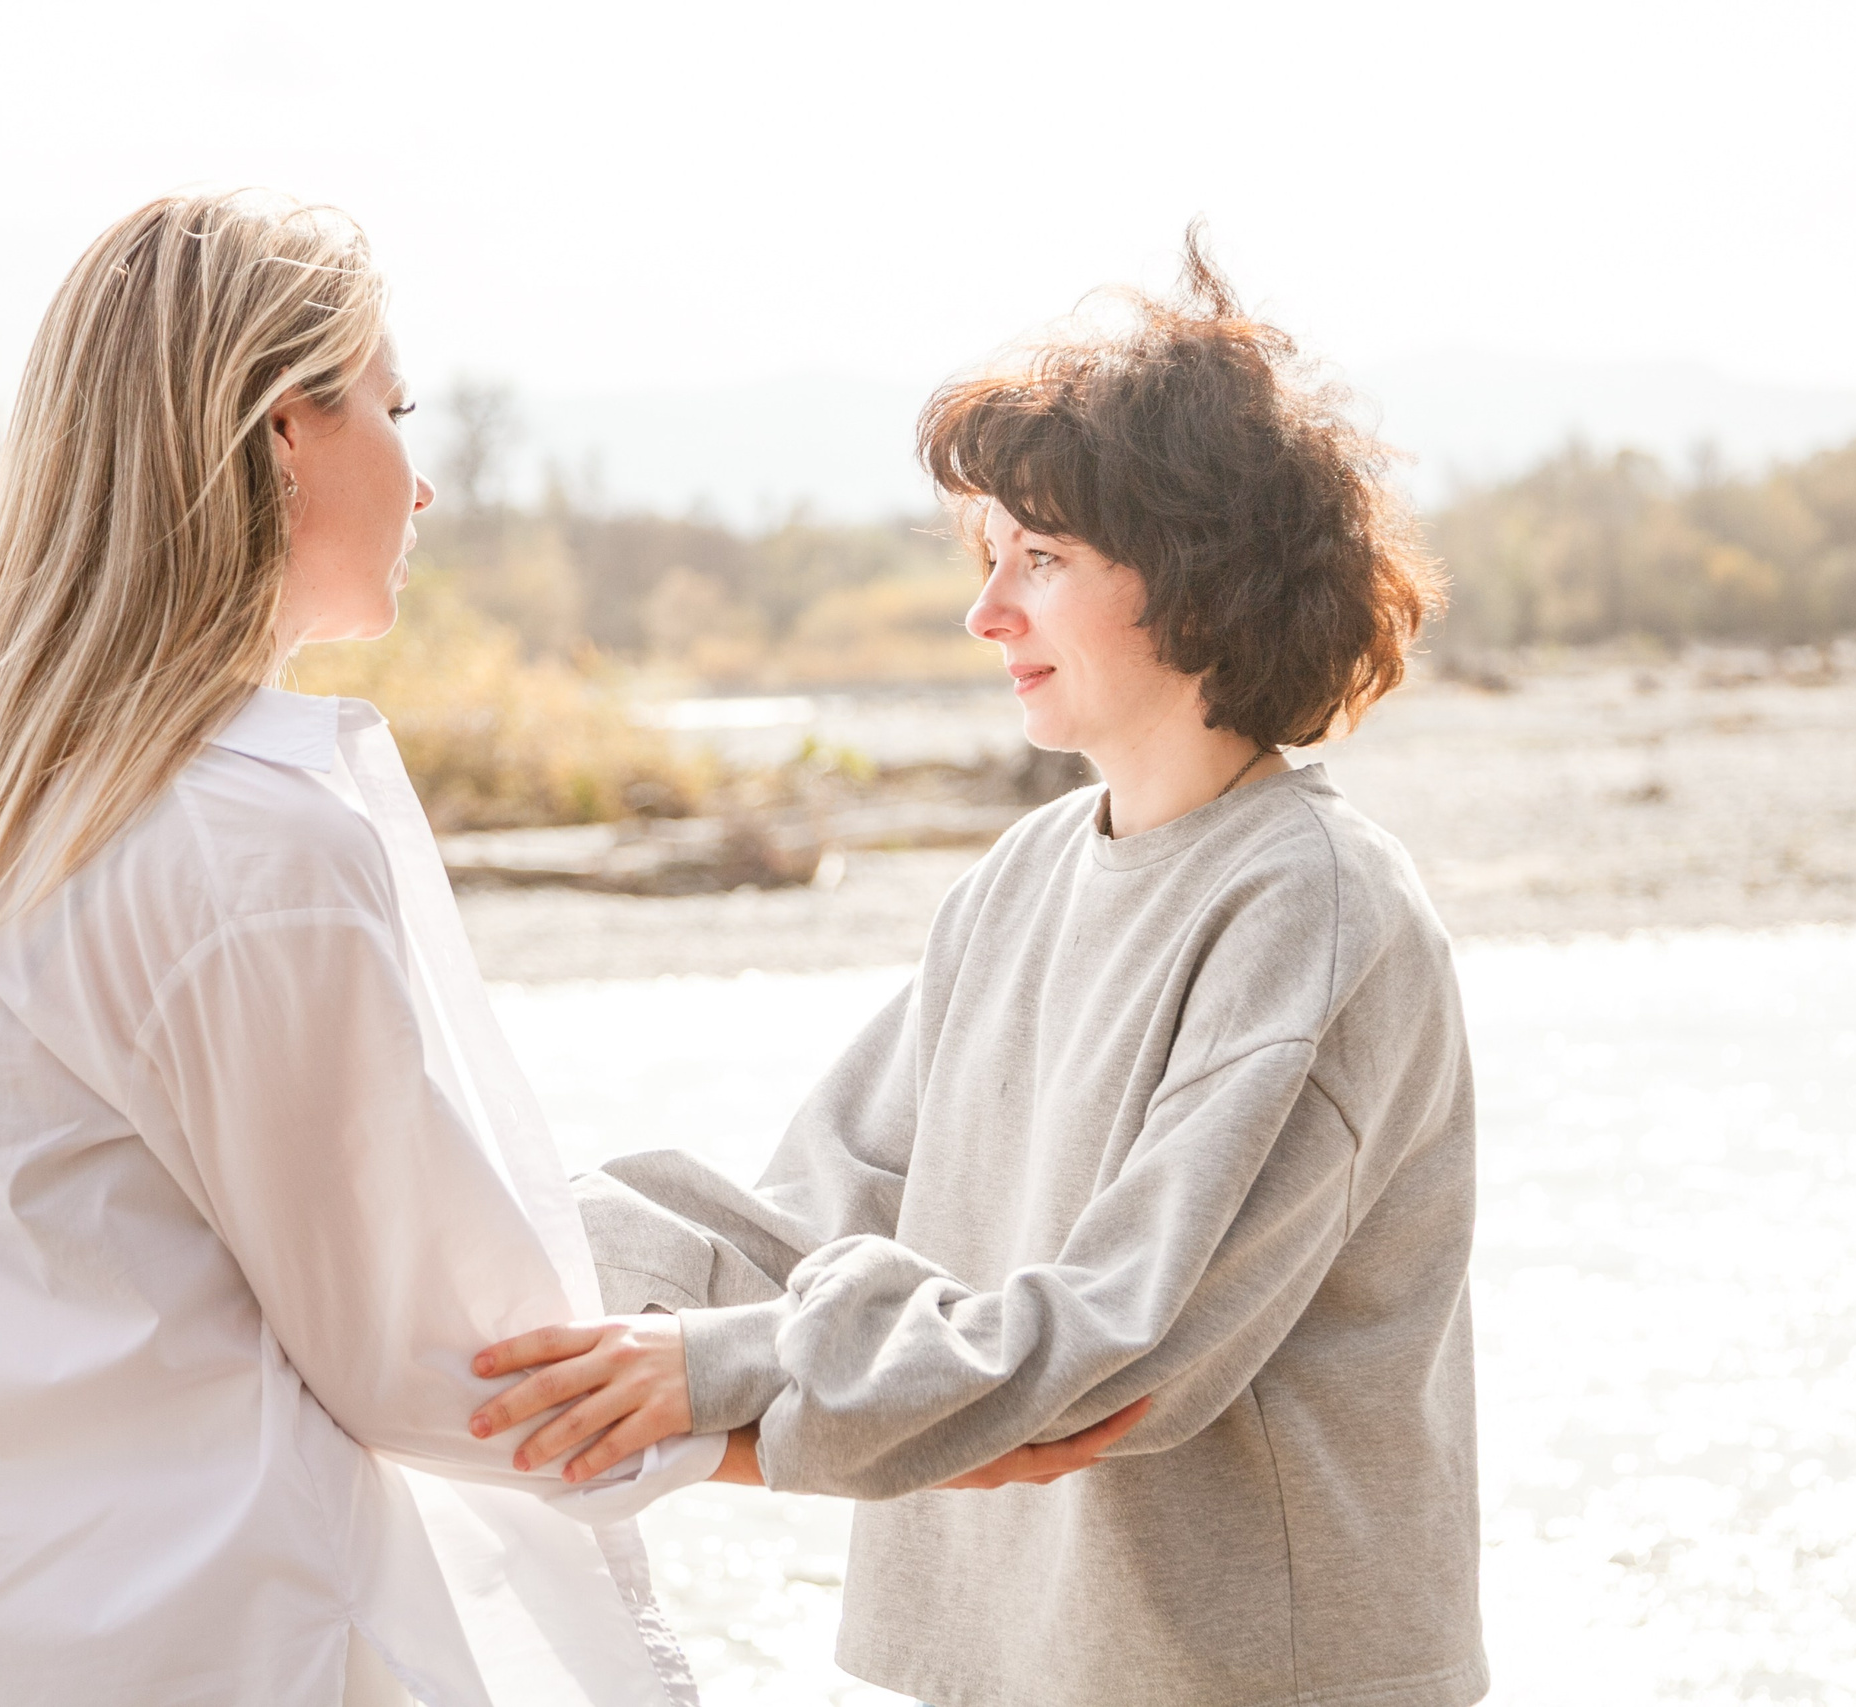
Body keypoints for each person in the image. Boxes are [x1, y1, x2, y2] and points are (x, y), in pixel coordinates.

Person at [470, 236, 1489, 1707]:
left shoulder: (1317, 906)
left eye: (1045, 559)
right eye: (991, 556)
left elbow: (1118, 1341)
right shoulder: (1024, 874)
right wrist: (503, 1250)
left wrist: (707, 1371)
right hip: (1023, 1661)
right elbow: (813, 1216)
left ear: (1198, 582)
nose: (986, 609)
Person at [0, 190, 736, 1707]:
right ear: (287, 429)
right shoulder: (241, 839)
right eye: (397, 407)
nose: (424, 484)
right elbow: (440, 1352)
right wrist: (824, 1409)